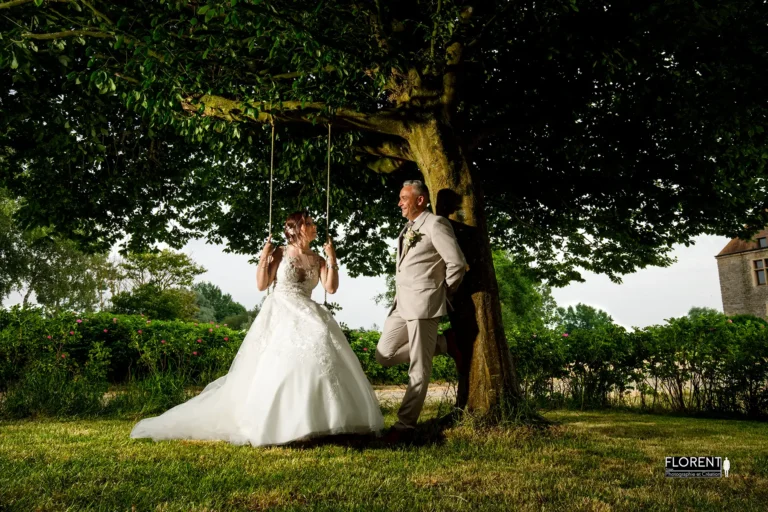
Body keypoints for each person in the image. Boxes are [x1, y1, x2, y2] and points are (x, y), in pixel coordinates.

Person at [130, 211, 384, 446]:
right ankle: (283, 424)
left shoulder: (317, 258)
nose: (315, 226)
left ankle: (322, 420)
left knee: (321, 344)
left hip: (308, 308)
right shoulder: (280, 253)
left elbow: (330, 288)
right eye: (310, 223)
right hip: (282, 308)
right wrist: (264, 255)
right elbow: (262, 285)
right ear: (297, 229)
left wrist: (332, 258)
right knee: (284, 360)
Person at [376, 179, 467, 443]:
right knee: (384, 354)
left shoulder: (436, 224)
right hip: (401, 305)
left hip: (424, 304)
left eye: (404, 198)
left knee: (419, 367)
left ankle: (405, 426)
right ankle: (444, 344)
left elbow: (457, 264)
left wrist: (440, 293)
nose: (399, 203)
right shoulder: (409, 227)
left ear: (420, 200)